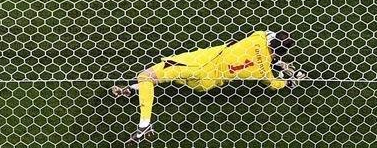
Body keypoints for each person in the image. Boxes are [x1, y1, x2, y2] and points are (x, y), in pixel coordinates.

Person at [110, 30, 303, 142]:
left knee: (148, 76)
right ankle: (131, 90)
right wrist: (287, 79)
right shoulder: (263, 72)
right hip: (206, 83)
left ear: (271, 39)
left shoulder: (258, 38)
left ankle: (144, 125)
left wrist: (275, 58)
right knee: (159, 76)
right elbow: (274, 84)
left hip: (197, 62)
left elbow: (263, 36)